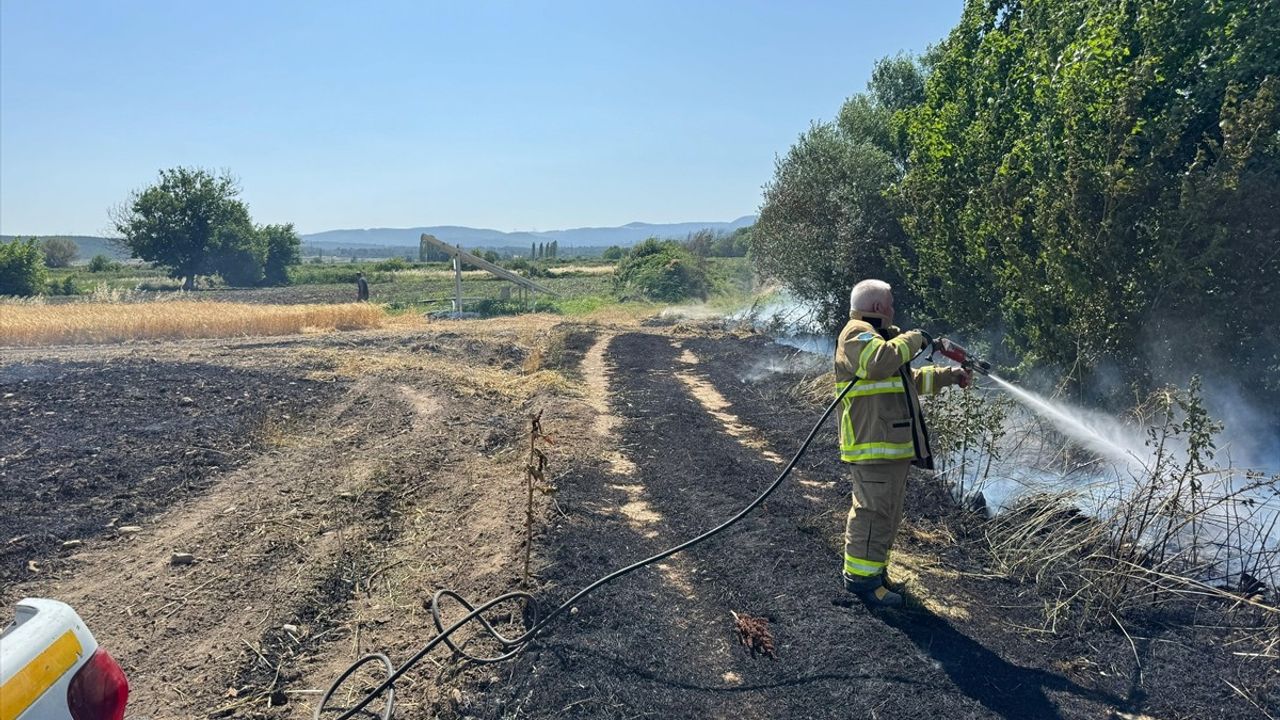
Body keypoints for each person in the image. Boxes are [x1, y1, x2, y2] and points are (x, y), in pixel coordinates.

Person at [834, 279, 970, 607]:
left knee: (887, 514)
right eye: (891, 304)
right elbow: (878, 363)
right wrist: (918, 337)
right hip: (872, 447)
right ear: (879, 307)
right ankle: (862, 583)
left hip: (889, 447)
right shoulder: (855, 334)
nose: (894, 309)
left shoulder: (881, 339)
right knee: (872, 513)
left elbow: (909, 382)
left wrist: (950, 376)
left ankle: (875, 572)